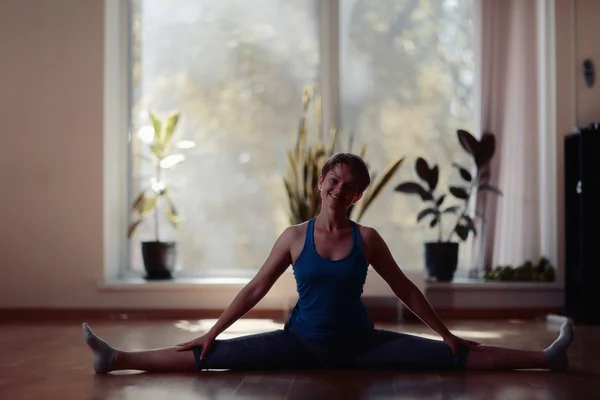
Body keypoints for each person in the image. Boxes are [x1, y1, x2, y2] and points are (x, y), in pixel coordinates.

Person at [83, 152, 573, 374]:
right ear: (321, 182)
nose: (340, 189)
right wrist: (213, 331)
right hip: (298, 344)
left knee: (457, 353)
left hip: (363, 346)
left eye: (350, 185)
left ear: (359, 195)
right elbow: (255, 289)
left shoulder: (368, 238)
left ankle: (545, 359)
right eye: (333, 180)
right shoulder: (294, 238)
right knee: (206, 355)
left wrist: (443, 331)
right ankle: (118, 359)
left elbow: (406, 290)